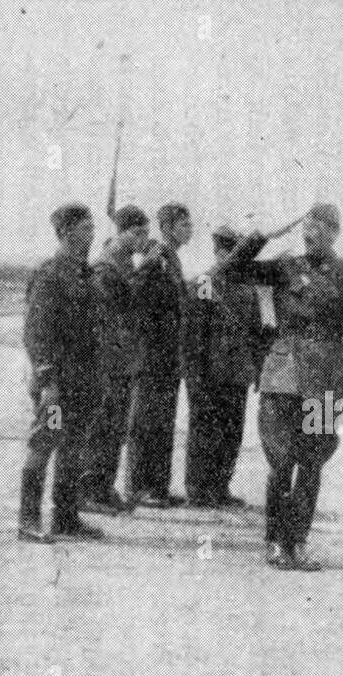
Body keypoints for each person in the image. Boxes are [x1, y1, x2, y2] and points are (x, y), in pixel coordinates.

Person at [225, 204, 343, 571]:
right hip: (284, 373)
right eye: (308, 229)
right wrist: (262, 236)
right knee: (280, 461)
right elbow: (234, 270)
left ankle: (299, 542)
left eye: (322, 229)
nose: (313, 235)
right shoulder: (285, 266)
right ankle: (275, 540)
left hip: (326, 376)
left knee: (311, 463)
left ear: (335, 232)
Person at [17, 203, 103, 543]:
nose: (92, 234)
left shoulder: (86, 274)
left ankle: (66, 517)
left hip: (85, 380)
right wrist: (48, 381)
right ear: (66, 232)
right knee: (45, 441)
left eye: (92, 228)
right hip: (58, 382)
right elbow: (36, 333)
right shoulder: (50, 274)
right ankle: (28, 521)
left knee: (75, 446)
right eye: (85, 228)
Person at [181, 225, 266, 507]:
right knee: (204, 429)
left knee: (232, 432)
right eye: (225, 252)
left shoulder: (247, 289)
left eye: (233, 252)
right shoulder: (206, 283)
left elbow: (256, 331)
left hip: (237, 371)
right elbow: (195, 332)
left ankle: (220, 486)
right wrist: (194, 372)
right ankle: (197, 489)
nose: (229, 257)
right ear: (218, 252)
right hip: (209, 370)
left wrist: (256, 368)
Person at [79, 212, 147, 512]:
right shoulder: (106, 267)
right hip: (108, 361)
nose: (144, 240)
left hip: (123, 360)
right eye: (139, 234)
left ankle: (104, 487)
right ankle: (91, 490)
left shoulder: (124, 263)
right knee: (102, 426)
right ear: (124, 233)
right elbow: (107, 318)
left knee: (116, 428)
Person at [129, 202, 193, 508]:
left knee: (163, 422)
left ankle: (158, 487)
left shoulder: (172, 258)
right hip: (152, 352)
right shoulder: (156, 255)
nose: (189, 229)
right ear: (167, 228)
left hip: (168, 353)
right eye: (183, 224)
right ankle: (140, 487)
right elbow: (138, 296)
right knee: (146, 421)